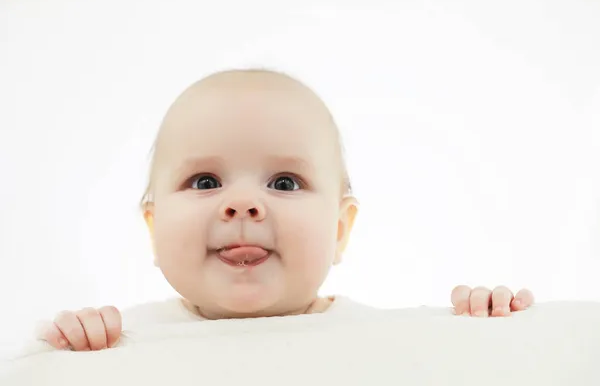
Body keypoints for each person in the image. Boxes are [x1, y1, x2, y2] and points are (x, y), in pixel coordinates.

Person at [36, 68, 535, 352]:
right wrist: (68, 346)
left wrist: (481, 323)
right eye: (205, 181)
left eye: (284, 182)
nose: (244, 204)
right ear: (153, 226)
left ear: (340, 230)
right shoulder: (125, 339)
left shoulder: (380, 336)